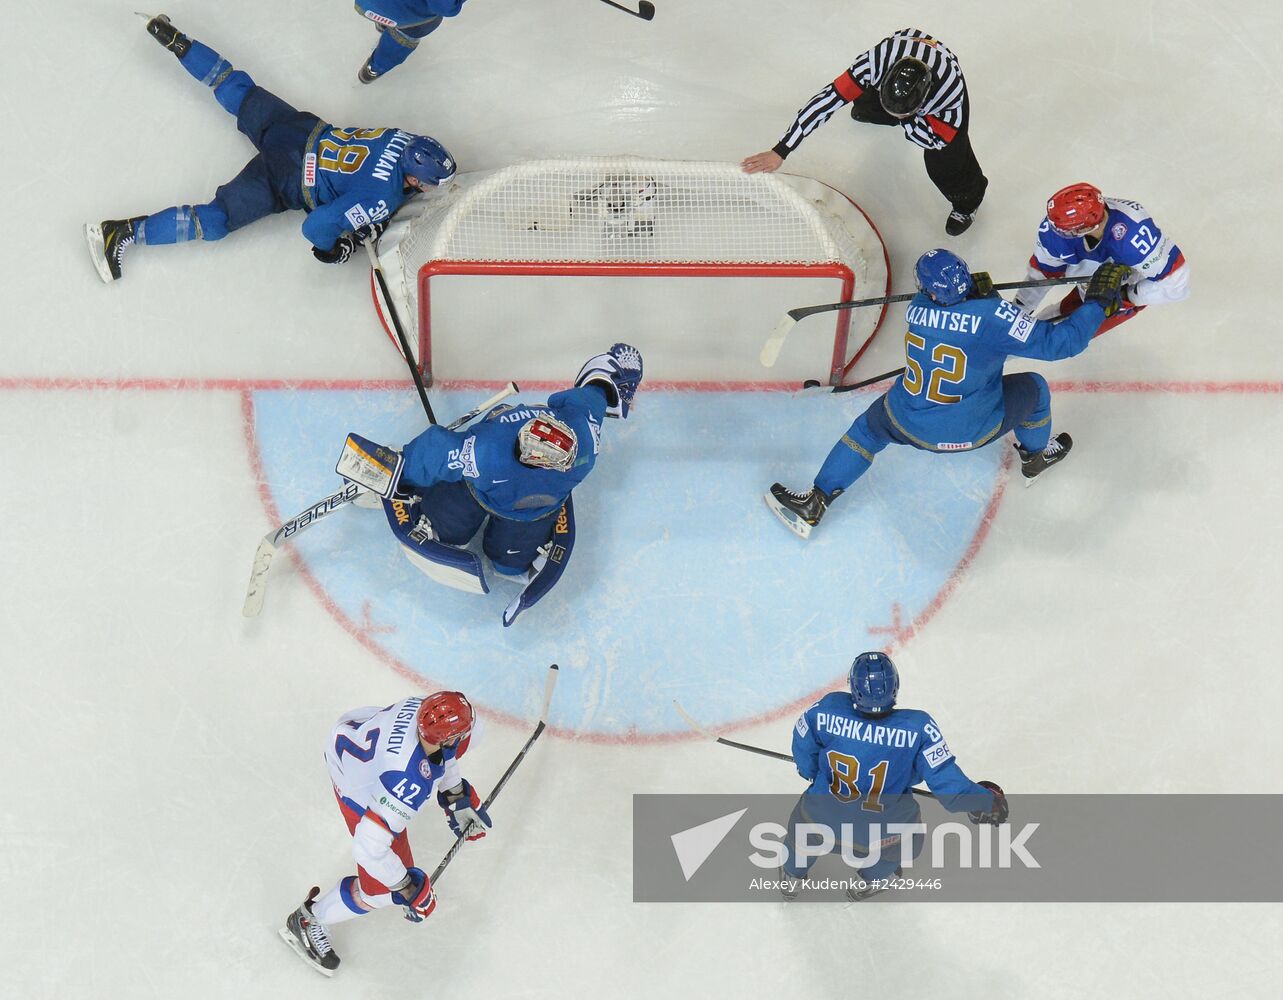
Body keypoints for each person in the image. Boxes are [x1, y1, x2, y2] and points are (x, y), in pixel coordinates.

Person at [765, 249, 1130, 538]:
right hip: (974, 430)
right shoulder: (993, 316)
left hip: (906, 421)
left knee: (867, 431)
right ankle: (1035, 458)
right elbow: (1061, 344)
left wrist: (977, 298)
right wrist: (1096, 303)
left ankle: (816, 502)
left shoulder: (917, 309)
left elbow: (960, 317)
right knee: (1034, 387)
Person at [85, 14, 455, 283]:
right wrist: (333, 249)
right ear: (412, 175)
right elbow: (317, 227)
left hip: (298, 132)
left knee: (234, 87)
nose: (428, 188)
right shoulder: (381, 196)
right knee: (213, 221)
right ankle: (122, 231)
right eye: (427, 183)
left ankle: (179, 41)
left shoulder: (401, 138)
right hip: (287, 179)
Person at [351, 344, 643, 621]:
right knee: (475, 545)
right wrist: (609, 384)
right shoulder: (581, 444)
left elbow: (436, 451)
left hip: (506, 501)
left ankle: (496, 555)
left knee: (495, 556)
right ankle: (489, 551)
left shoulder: (485, 453)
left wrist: (396, 473)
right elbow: (591, 398)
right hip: (516, 508)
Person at [280, 691, 489, 975]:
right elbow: (368, 848)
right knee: (378, 891)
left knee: (448, 748)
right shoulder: (405, 784)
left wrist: (454, 794)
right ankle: (307, 920)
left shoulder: (425, 711)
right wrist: (407, 888)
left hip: (353, 731)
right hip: (356, 785)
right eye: (461, 735)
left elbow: (445, 753)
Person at [781, 652, 1006, 901]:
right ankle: (868, 881)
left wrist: (813, 774)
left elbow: (803, 751)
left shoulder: (826, 709)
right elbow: (954, 793)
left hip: (819, 818)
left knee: (801, 832)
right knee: (906, 841)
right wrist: (987, 800)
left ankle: (791, 876)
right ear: (895, 686)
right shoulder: (919, 727)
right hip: (880, 834)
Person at [742, 28, 987, 236]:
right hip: (905, 45)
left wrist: (908, 120)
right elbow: (827, 100)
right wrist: (781, 149)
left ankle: (968, 202)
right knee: (865, 104)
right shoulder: (875, 63)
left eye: (901, 114)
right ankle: (883, 107)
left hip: (938, 97)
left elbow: (931, 140)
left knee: (945, 164)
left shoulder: (948, 97)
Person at [1013, 182, 1190, 336]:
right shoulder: (1053, 230)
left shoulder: (1135, 235)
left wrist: (1127, 296)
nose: (1057, 233)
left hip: (1118, 296)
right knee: (1054, 324)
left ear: (1087, 227)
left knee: (1061, 335)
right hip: (1088, 277)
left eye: (1066, 231)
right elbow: (1044, 273)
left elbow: (1177, 281)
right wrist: (1016, 313)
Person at [352, 2, 468, 84]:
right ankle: (375, 67)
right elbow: (445, 7)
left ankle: (383, 22)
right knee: (397, 44)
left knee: (385, 9)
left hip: (373, 4)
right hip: (410, 16)